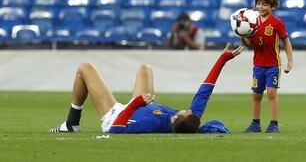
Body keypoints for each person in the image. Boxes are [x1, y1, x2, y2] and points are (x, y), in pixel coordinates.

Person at [49, 43, 244, 134]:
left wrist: (135, 103)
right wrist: (222, 60)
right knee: (145, 69)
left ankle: (71, 124)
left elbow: (117, 130)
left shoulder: (150, 122)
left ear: (175, 119)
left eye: (183, 112)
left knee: (85, 68)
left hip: (117, 115)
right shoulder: (189, 118)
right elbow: (205, 90)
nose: (186, 109)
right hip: (139, 107)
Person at [240, 0, 293, 133]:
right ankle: (255, 124)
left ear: (273, 6)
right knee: (256, 94)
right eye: (258, 3)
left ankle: (274, 124)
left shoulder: (277, 23)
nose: (260, 7)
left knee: (271, 93)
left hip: (273, 65)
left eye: (264, 4)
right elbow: (249, 44)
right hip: (258, 65)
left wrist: (290, 61)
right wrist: (241, 35)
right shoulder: (252, 23)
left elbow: (286, 41)